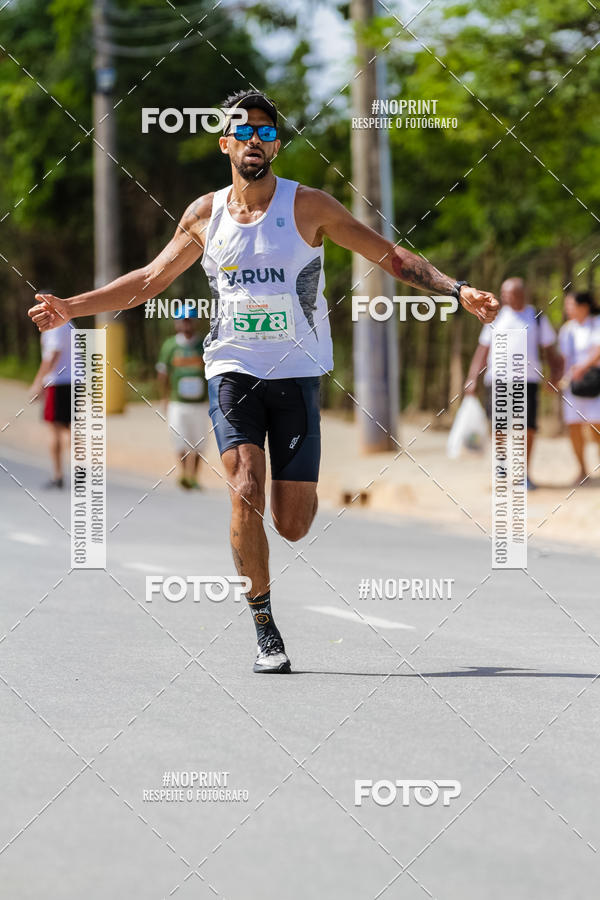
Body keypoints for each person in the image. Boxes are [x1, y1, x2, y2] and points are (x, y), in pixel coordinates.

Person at [28, 89, 499, 673]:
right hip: (233, 369)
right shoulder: (204, 216)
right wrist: (71, 306)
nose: (256, 140)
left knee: (293, 523)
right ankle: (263, 623)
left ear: (277, 144)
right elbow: (149, 280)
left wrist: (456, 290)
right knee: (245, 483)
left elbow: (388, 256)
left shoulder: (311, 208)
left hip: (298, 375)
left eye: (267, 133)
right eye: (244, 132)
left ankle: (270, 569)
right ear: (225, 142)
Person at [464, 276, 561, 490]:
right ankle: (500, 466)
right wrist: (472, 379)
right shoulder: (494, 317)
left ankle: (523, 474)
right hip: (498, 379)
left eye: (510, 293)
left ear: (522, 294)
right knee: (499, 427)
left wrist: (554, 375)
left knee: (528, 428)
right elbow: (482, 350)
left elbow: (550, 349)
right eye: (504, 293)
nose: (506, 297)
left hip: (528, 380)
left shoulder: (536, 317)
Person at [156, 306, 207, 490]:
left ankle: (194, 476)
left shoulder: (203, 344)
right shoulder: (170, 346)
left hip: (200, 402)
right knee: (180, 440)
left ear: (195, 322)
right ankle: (184, 474)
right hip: (178, 402)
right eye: (183, 320)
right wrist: (164, 398)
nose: (186, 324)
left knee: (199, 441)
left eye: (189, 320)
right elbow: (163, 374)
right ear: (177, 323)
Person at [558, 291, 600, 484]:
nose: (568, 310)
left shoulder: (597, 323)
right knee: (573, 425)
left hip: (595, 382)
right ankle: (582, 469)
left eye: (571, 306)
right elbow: (565, 358)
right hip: (573, 384)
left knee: (596, 425)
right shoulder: (567, 330)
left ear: (584, 307)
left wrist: (583, 367)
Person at [30, 317, 73, 489]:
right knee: (70, 427)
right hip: (74, 380)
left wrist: (38, 382)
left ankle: (58, 475)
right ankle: (81, 471)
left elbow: (53, 354)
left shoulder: (55, 326)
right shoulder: (69, 323)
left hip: (58, 381)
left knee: (54, 427)